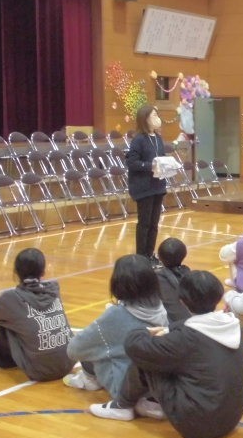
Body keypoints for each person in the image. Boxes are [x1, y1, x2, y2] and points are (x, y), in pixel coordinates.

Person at [117, 271, 243, 438]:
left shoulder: (187, 338)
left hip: (196, 426)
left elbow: (134, 346)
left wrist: (143, 330)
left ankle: (121, 406)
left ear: (182, 301)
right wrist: (169, 329)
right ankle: (149, 403)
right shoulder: (233, 324)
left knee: (147, 359)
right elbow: (193, 326)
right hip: (232, 417)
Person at [63, 255, 168, 398]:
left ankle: (89, 379)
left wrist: (106, 320)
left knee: (94, 342)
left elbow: (73, 350)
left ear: (118, 283)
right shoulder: (162, 307)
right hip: (159, 386)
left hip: (127, 391)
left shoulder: (116, 315)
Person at [0, 248, 74, 381]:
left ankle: (6, 362)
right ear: (43, 271)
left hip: (40, 371)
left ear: (16, 272)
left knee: (3, 320)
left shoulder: (10, 297)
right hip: (69, 363)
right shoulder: (53, 288)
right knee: (11, 316)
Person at [125, 104, 168, 263]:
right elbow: (132, 163)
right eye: (154, 115)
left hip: (158, 186)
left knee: (154, 223)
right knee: (145, 223)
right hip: (144, 187)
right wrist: (151, 166)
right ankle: (141, 256)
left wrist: (168, 165)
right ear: (145, 119)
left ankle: (150, 254)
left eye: (157, 115)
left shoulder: (158, 138)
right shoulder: (139, 140)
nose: (157, 118)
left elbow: (161, 158)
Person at [155, 237, 191, 323]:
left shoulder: (155, 278)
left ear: (159, 257)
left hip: (170, 324)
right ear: (184, 255)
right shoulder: (190, 274)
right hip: (192, 321)